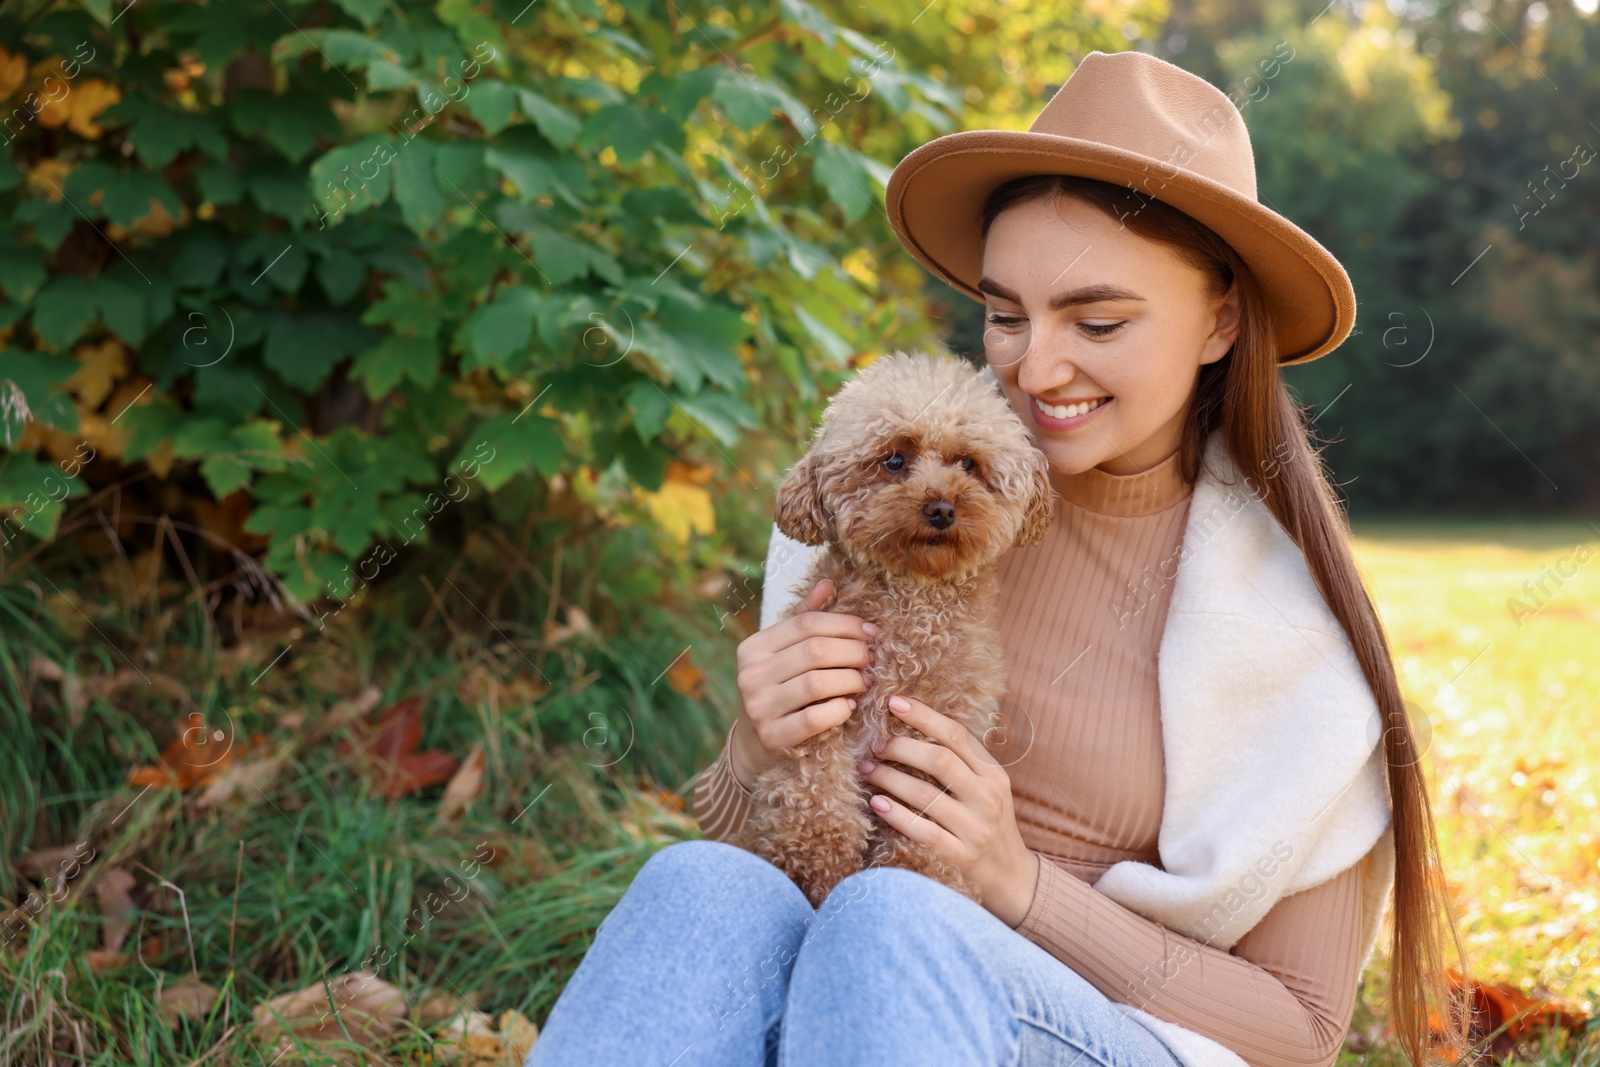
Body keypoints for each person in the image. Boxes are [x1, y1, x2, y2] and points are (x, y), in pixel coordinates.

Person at [524, 50, 1469, 1067]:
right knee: (696, 884)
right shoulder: (881, 513)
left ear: (1221, 320)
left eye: (1096, 319)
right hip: (858, 989)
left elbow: (1296, 1027)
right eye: (1005, 314)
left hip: (1093, 1027)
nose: (1034, 366)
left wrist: (1015, 880)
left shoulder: (1290, 639)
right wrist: (750, 752)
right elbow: (759, 843)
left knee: (893, 917)